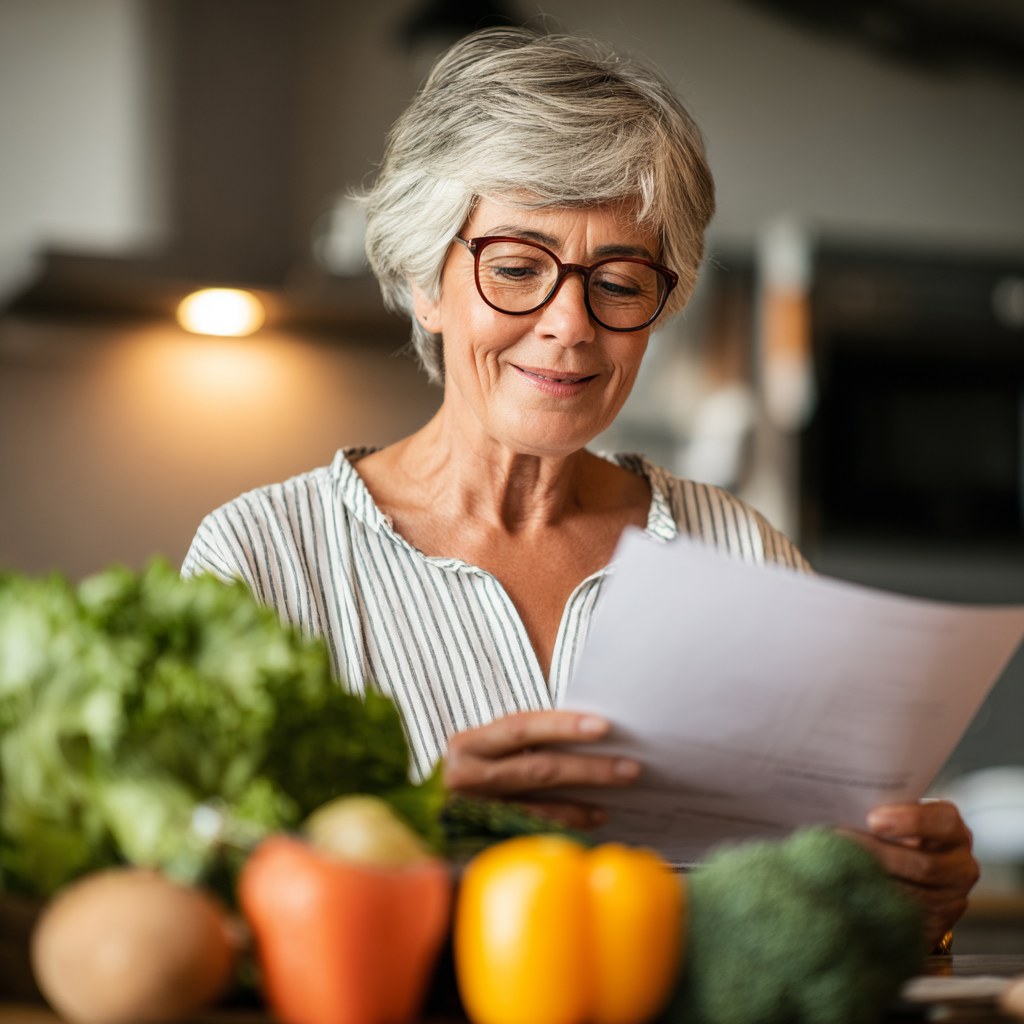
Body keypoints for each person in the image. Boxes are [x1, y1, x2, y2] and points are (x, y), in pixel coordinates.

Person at [183, 28, 977, 944]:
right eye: (517, 268)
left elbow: (819, 908)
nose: (570, 325)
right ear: (422, 280)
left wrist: (910, 897)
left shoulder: (743, 553)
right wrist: (417, 821)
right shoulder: (262, 556)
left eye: (620, 280)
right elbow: (191, 895)